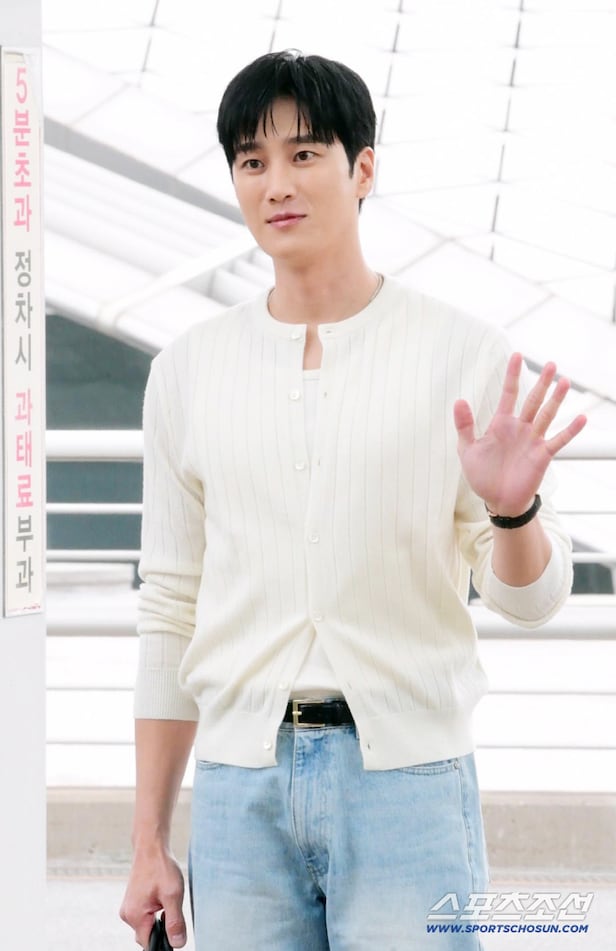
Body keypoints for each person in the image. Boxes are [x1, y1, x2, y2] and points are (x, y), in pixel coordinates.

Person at [120, 50, 587, 950]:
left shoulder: (463, 352)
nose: (276, 183)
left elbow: (533, 599)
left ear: (363, 167)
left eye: (304, 154)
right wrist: (148, 841)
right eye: (251, 160)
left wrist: (513, 512)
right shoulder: (186, 370)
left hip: (409, 786)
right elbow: (170, 609)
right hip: (238, 793)